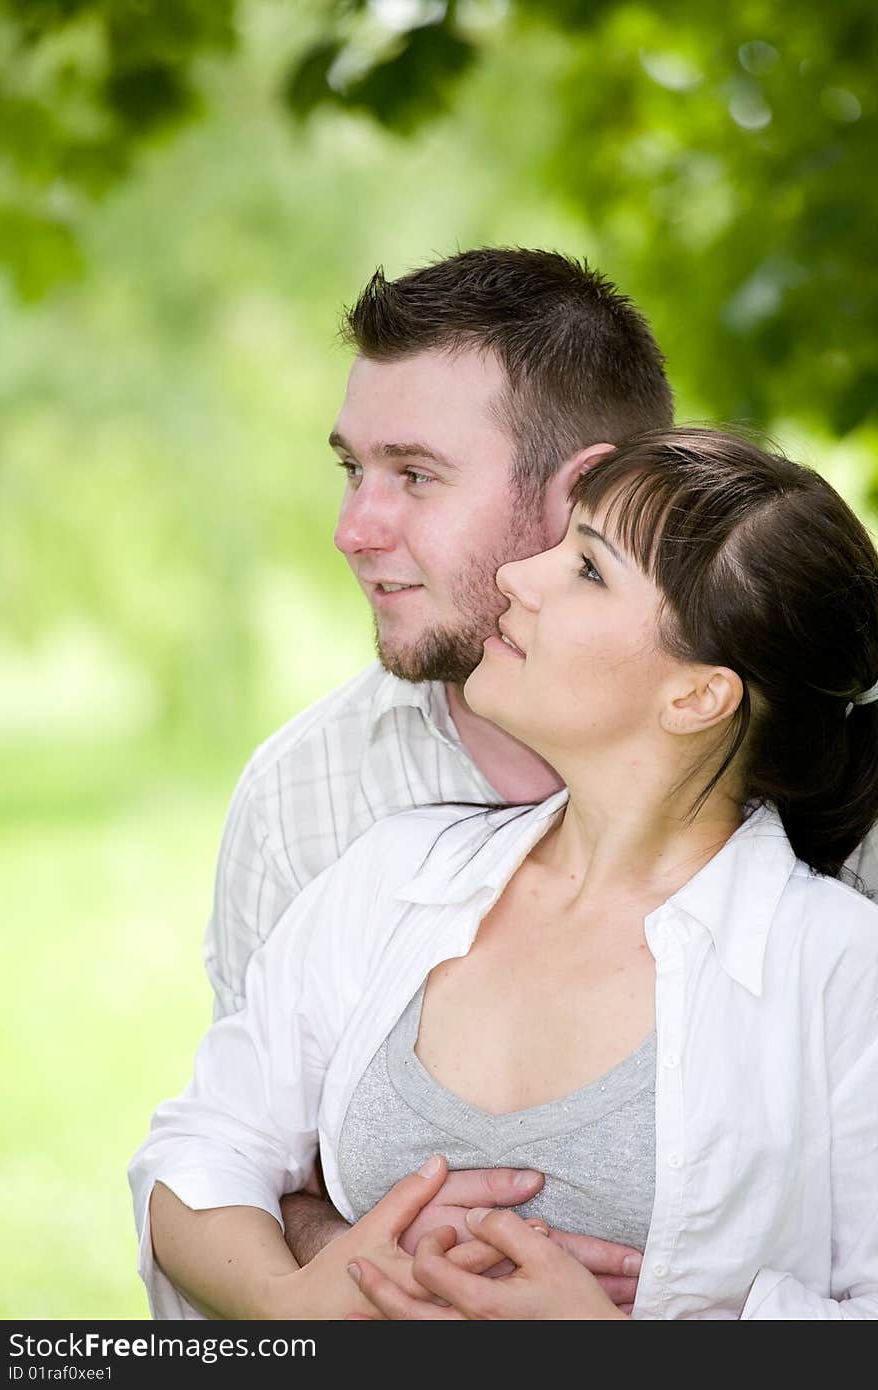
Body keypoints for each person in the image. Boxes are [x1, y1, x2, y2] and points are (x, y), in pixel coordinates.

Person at [131, 428, 878, 1319]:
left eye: (588, 570)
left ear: (697, 697)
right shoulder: (396, 874)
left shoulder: (839, 973)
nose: (519, 577)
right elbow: (202, 1146)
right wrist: (292, 1301)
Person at [200, 247, 674, 1305]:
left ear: (587, 491)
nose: (352, 529)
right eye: (351, 470)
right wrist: (408, 1272)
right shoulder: (303, 796)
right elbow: (248, 1157)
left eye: (413, 474)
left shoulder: (817, 797)